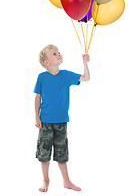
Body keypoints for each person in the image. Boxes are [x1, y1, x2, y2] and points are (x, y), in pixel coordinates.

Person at [34, 44, 90, 192]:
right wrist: (36, 117)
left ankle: (67, 181)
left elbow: (86, 78)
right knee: (44, 153)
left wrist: (85, 63)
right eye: (54, 54)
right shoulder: (42, 77)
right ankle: (46, 180)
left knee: (62, 153)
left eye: (58, 52)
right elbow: (37, 97)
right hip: (45, 121)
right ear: (46, 62)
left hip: (61, 121)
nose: (59, 54)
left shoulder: (65, 75)